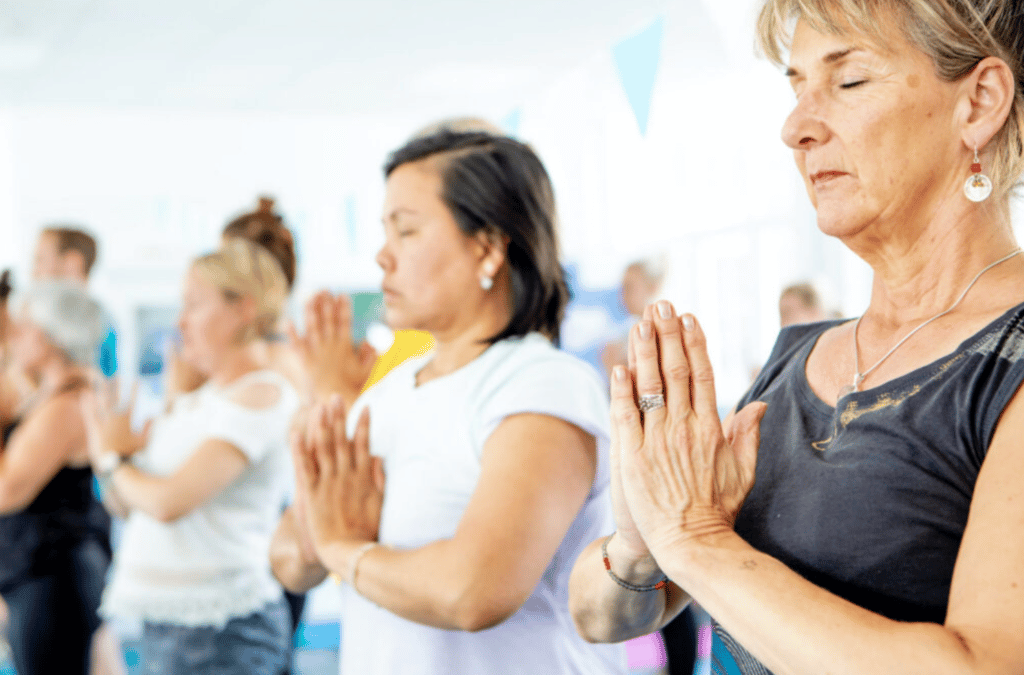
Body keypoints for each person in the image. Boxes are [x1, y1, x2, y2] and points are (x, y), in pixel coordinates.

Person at [568, 1, 1024, 673]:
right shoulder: (797, 357)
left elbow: (982, 664)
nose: (795, 127)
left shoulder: (1005, 357)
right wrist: (641, 543)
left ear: (979, 102)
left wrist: (694, 538)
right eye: (796, 87)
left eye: (848, 81)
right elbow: (598, 613)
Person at [271, 129, 626, 674]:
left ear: (486, 247)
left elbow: (473, 592)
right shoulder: (388, 392)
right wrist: (327, 415)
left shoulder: (543, 385)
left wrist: (344, 549)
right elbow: (290, 561)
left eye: (406, 231)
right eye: (385, 231)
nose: (382, 256)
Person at [84, 239, 300, 674]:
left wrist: (111, 459)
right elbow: (129, 505)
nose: (181, 322)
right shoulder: (201, 399)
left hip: (222, 632)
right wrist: (113, 458)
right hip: (167, 625)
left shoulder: (262, 394)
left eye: (195, 305)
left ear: (244, 309)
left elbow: (167, 503)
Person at [0, 281, 111, 675]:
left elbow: (5, 492)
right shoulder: (48, 394)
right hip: (37, 570)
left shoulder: (67, 404)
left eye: (25, 326)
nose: (14, 335)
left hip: (54, 577)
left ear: (49, 338)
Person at [32, 227, 118, 377]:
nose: (34, 272)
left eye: (40, 259)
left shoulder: (99, 325)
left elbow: (107, 387)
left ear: (73, 263)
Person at [601, 259, 664, 378]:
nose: (622, 295)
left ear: (652, 288)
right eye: (622, 288)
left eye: (629, 287)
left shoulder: (663, 335)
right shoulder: (623, 335)